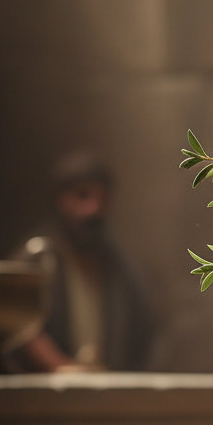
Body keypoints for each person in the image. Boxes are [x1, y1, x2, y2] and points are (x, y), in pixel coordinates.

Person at [14, 151, 153, 372]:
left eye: (102, 199)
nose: (93, 208)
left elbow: (141, 332)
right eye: (82, 196)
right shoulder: (38, 255)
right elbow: (17, 321)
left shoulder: (119, 267)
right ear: (60, 199)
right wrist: (62, 368)